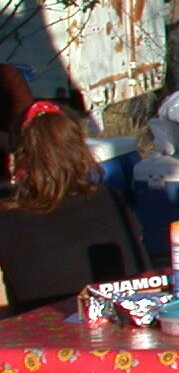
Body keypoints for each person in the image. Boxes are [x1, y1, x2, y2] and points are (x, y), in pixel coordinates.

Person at [0, 102, 148, 313]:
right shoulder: (111, 199)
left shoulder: (7, 218)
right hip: (116, 322)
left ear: (16, 160)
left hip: (42, 333)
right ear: (80, 150)